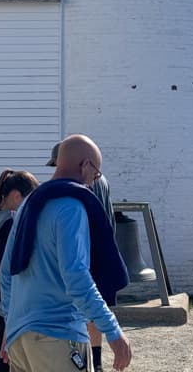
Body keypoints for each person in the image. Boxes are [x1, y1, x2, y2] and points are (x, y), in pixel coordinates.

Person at [0, 134, 132, 372]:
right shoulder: (71, 207)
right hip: (57, 336)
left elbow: (6, 274)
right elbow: (77, 277)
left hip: (20, 340)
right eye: (96, 173)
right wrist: (113, 331)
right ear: (86, 165)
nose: (93, 182)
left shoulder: (28, 206)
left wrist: (12, 323)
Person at [46, 141, 115, 372]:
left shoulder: (78, 193)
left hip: (85, 250)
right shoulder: (103, 182)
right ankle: (96, 359)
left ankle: (92, 359)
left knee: (86, 306)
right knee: (95, 306)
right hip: (99, 249)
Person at [0, 169, 39, 372]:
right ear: (16, 196)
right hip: (9, 305)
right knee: (6, 360)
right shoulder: (10, 223)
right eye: (27, 200)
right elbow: (10, 269)